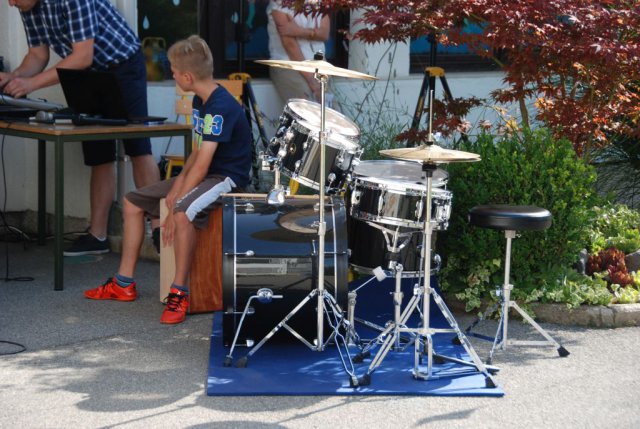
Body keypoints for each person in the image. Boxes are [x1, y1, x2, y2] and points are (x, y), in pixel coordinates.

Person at [83, 35, 252, 324]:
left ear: (187, 77)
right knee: (132, 202)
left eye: (173, 71)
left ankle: (179, 292)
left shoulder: (221, 107)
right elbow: (195, 153)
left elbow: (204, 166)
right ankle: (123, 284)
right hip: (205, 173)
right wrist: (176, 185)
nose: (171, 75)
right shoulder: (201, 99)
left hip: (225, 178)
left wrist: (178, 199)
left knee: (182, 213)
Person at [1, 0, 160, 256]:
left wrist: (31, 85)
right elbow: (37, 55)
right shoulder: (27, 7)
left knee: (138, 146)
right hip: (88, 74)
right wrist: (15, 77)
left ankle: (160, 230)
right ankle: (97, 236)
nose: (11, 3)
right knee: (98, 153)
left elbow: (82, 55)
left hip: (122, 65)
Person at [266, 0, 330, 103]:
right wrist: (311, 80)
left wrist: (299, 31)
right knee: (306, 108)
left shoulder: (318, 2)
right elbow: (289, 44)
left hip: (319, 63)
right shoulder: (279, 4)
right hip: (289, 64)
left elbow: (324, 34)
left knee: (331, 108)